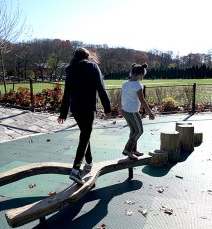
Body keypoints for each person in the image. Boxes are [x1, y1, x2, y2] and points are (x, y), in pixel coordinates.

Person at [58, 48, 111, 185]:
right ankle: (75, 169)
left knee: (85, 133)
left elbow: (67, 93)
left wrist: (63, 112)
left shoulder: (70, 69)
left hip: (75, 108)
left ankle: (89, 162)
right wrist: (107, 108)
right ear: (87, 57)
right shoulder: (92, 66)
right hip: (87, 108)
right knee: (85, 135)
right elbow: (101, 88)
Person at [121, 63, 155, 160]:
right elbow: (142, 100)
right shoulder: (137, 85)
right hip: (133, 112)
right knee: (139, 131)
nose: (142, 78)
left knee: (133, 131)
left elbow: (122, 98)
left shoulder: (124, 84)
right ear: (139, 74)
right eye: (142, 75)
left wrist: (121, 109)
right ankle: (127, 149)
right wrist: (149, 113)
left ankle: (133, 150)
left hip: (125, 111)